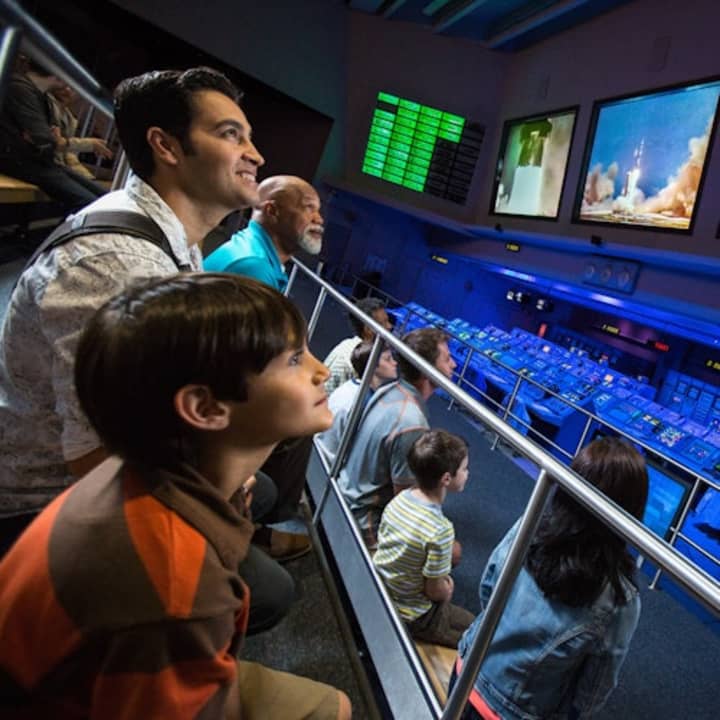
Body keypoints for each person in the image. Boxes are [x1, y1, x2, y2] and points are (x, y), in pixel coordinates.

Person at [0, 273, 351, 720]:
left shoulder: (144, 467)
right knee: (332, 710)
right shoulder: (174, 578)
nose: (322, 371)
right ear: (204, 408)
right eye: (295, 359)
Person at [452, 437, 648, 720]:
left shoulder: (529, 526)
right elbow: (594, 688)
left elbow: (489, 586)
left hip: (466, 670)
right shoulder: (621, 598)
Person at [337, 327, 457, 548]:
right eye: (447, 359)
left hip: (345, 499)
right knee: (451, 551)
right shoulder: (412, 422)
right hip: (365, 523)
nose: (454, 365)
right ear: (426, 370)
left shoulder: (389, 390)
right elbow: (405, 505)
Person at [373, 430, 474, 648]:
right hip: (414, 615)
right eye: (464, 469)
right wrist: (447, 588)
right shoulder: (440, 530)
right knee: (477, 634)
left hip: (382, 589)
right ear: (446, 478)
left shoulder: (400, 499)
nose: (467, 473)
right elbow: (434, 591)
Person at [0, 59, 106, 210]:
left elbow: (46, 139)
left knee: (105, 198)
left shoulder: (41, 95)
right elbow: (46, 139)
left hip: (40, 162)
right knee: (91, 204)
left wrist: (50, 140)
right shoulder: (19, 88)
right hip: (21, 162)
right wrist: (51, 140)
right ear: (57, 74)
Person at [203, 174, 324, 291]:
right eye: (309, 208)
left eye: (318, 210)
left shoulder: (251, 247)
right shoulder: (255, 268)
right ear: (271, 211)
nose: (319, 219)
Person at [317, 341, 398, 465]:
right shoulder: (362, 403)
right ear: (373, 366)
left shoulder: (350, 387)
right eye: (388, 359)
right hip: (332, 464)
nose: (395, 363)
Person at [323, 297, 393, 395]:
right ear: (368, 329)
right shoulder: (351, 357)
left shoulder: (362, 351)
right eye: (384, 323)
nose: (390, 326)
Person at [46, 83, 113, 180]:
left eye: (72, 88)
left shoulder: (71, 119)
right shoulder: (48, 104)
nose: (67, 90)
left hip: (59, 167)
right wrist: (89, 144)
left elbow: (68, 154)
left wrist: (87, 176)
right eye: (63, 85)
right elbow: (56, 143)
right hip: (47, 165)